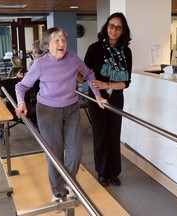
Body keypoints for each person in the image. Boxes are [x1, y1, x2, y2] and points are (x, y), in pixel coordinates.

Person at [15, 27, 108, 201]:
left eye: (63, 40)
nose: (61, 44)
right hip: (48, 111)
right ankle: (58, 190)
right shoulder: (40, 64)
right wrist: (21, 103)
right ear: (47, 45)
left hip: (71, 107)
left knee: (75, 152)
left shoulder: (73, 58)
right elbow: (21, 86)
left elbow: (88, 75)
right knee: (55, 152)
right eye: (56, 40)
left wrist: (98, 97)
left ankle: (69, 184)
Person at [84, 12, 132, 187]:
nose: (114, 29)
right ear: (106, 27)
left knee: (114, 135)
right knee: (101, 135)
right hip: (97, 99)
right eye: (111, 25)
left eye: (118, 27)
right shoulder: (94, 48)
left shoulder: (126, 51)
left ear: (123, 31)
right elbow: (85, 74)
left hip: (117, 98)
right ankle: (102, 172)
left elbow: (126, 83)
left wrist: (107, 84)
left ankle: (114, 172)